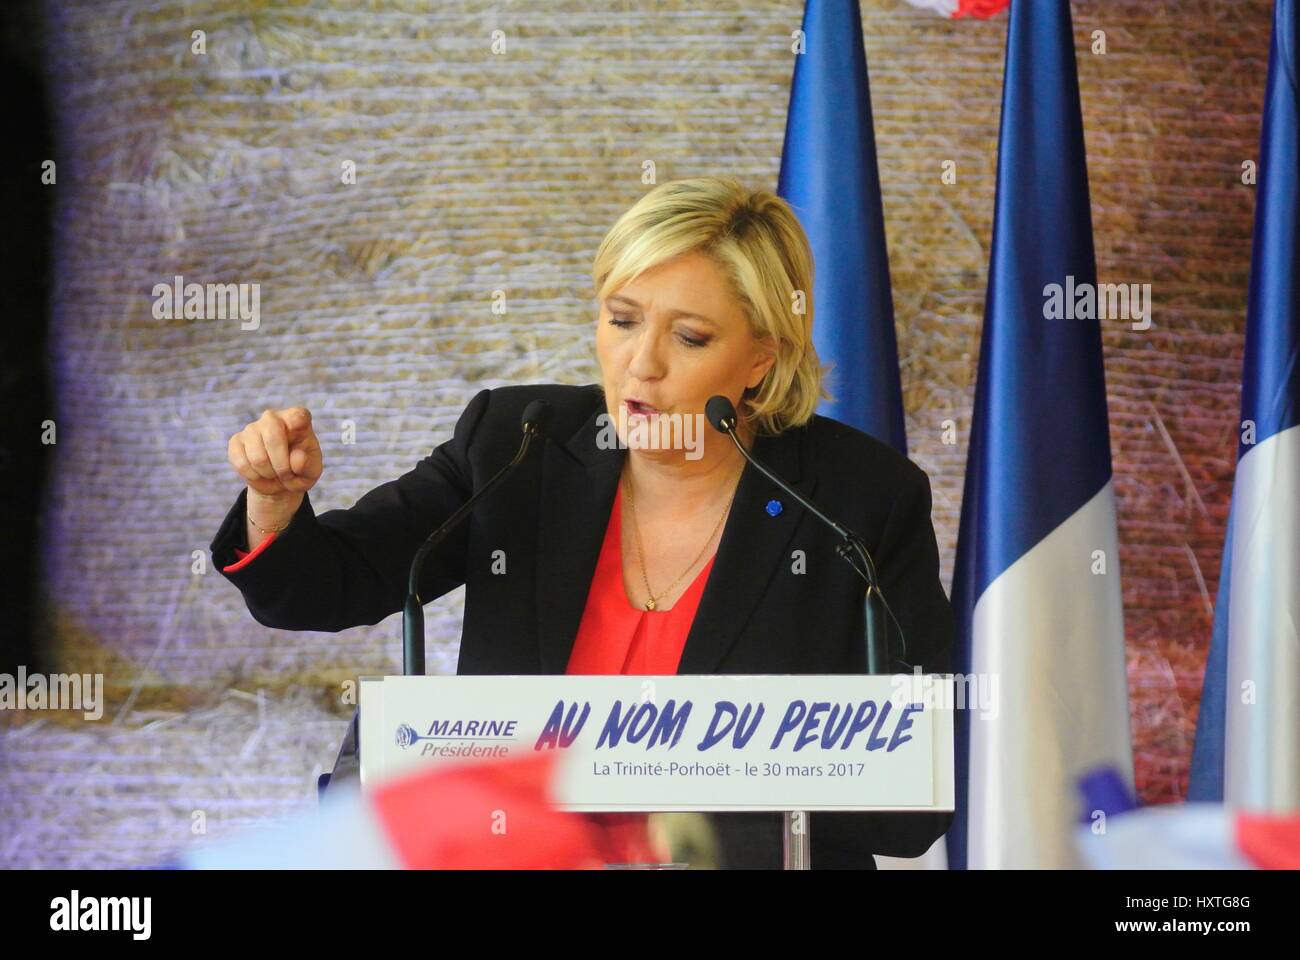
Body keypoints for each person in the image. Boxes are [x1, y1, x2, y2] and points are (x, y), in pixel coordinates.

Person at [212, 176, 954, 868]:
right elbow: (327, 587)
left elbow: (912, 806)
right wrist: (274, 507)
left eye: (689, 337)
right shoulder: (517, 443)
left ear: (760, 357)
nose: (642, 365)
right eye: (622, 320)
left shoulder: (858, 501)